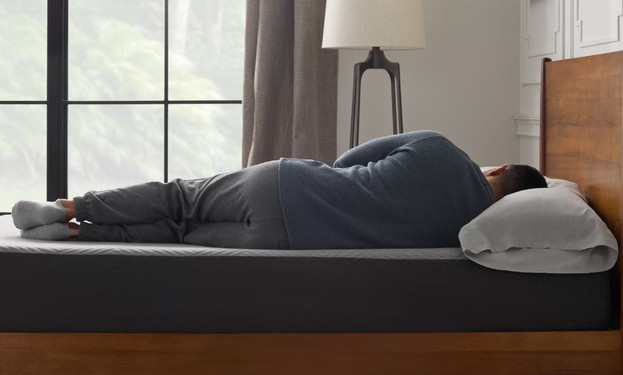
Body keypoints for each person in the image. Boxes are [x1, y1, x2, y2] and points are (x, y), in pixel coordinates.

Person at [11, 130, 547, 249]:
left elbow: (347, 161)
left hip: (288, 185)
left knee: (180, 197)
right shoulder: (468, 236)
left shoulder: (441, 148)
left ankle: (68, 207)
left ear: (498, 168)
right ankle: (78, 234)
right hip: (288, 241)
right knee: (178, 231)